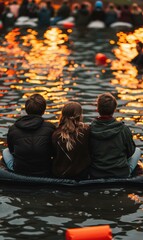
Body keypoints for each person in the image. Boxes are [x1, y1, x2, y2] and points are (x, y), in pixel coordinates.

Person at [89, 92, 141, 179]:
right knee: (138, 150)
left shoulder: (89, 130)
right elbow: (130, 152)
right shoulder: (124, 129)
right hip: (120, 173)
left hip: (96, 173)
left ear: (97, 109)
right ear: (114, 110)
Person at [2, 94, 55, 176]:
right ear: (44, 110)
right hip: (45, 169)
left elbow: (11, 150)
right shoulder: (50, 127)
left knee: (5, 151)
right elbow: (53, 151)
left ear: (26, 110)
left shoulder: (13, 128)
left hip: (20, 170)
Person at [52, 102, 91, 179]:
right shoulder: (86, 131)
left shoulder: (55, 134)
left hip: (60, 175)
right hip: (81, 175)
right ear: (80, 116)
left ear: (62, 116)